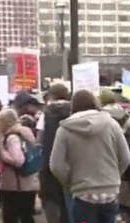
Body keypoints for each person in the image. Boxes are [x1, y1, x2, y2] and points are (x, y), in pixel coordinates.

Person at [50, 90, 130, 223]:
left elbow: (56, 165)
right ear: (95, 103)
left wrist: (69, 180)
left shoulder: (64, 129)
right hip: (109, 191)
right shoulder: (112, 124)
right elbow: (126, 157)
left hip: (82, 193)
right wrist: (114, 175)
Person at [0, 108, 39, 223]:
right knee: (27, 216)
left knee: (11, 217)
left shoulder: (12, 138)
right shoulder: (26, 133)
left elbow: (19, 160)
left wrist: (2, 152)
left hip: (15, 185)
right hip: (29, 183)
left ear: (6, 122)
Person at [38, 84, 73, 223]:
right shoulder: (75, 111)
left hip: (49, 163)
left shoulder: (45, 114)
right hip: (72, 162)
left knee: (52, 200)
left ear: (51, 95)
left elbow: (39, 139)